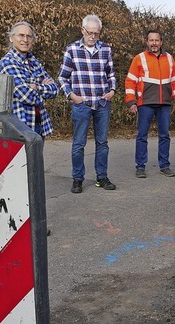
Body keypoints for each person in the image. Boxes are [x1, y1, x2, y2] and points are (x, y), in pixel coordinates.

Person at [59, 14, 117, 194]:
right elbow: (63, 77)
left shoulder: (106, 49)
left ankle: (102, 177)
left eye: (97, 33)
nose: (93, 36)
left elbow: (111, 74)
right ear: (82, 30)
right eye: (90, 32)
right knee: (78, 144)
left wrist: (112, 91)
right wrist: (72, 96)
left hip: (102, 103)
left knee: (102, 143)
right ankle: (78, 178)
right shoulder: (72, 50)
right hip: (81, 103)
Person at [125, 30, 175, 179]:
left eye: (156, 40)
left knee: (164, 136)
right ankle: (140, 166)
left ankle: (164, 166)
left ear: (161, 41)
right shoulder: (139, 58)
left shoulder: (170, 58)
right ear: (147, 42)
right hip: (145, 103)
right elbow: (130, 81)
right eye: (151, 40)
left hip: (164, 103)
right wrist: (131, 101)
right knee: (142, 136)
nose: (154, 43)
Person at [0, 21, 58, 138]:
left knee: (37, 157)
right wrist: (42, 88)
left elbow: (54, 90)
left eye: (29, 36)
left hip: (39, 124)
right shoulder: (8, 63)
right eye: (21, 35)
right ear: (11, 38)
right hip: (19, 126)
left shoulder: (34, 62)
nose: (25, 39)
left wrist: (36, 87)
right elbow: (26, 96)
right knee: (22, 157)